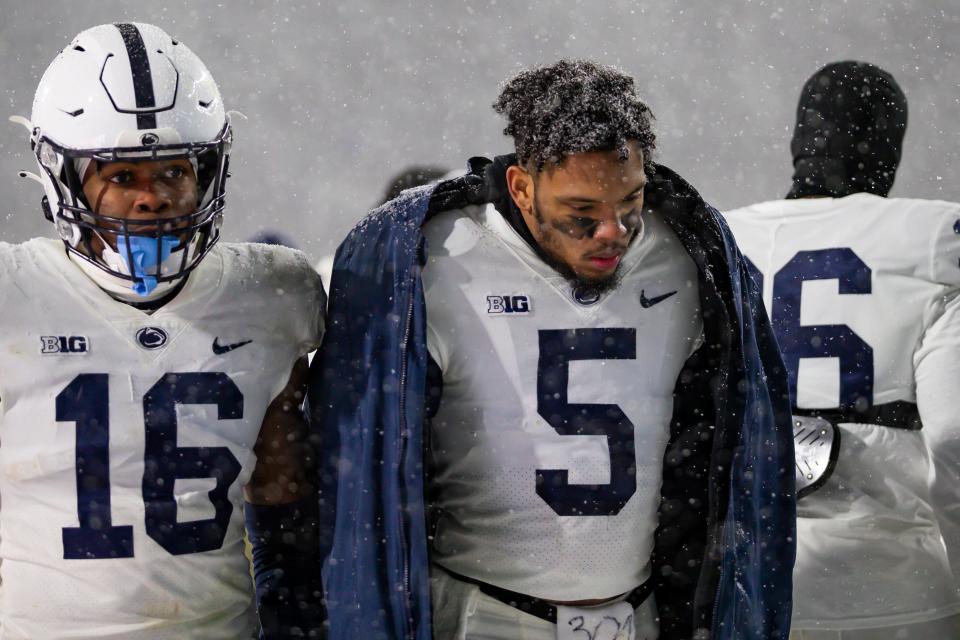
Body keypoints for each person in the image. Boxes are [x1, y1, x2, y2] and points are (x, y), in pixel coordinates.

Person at [311, 59, 795, 640]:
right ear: (521, 186)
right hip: (484, 615)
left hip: (637, 617)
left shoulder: (689, 255)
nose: (612, 232)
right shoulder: (434, 260)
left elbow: (733, 445)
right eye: (581, 214)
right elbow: (358, 467)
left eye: (629, 203)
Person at [1, 23, 324, 638]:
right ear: (62, 177)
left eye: (173, 171)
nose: (153, 198)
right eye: (123, 177)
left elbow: (283, 493)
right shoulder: (12, 294)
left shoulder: (272, 294)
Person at [723, 61, 960, 638]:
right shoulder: (934, 236)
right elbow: (954, 434)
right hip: (897, 585)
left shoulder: (719, 236)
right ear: (888, 145)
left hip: (746, 580)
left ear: (799, 138)